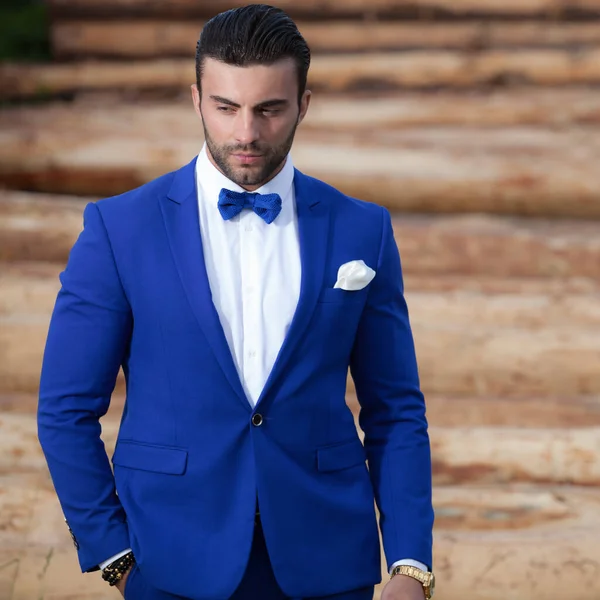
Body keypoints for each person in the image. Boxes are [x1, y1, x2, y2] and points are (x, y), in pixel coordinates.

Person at [37, 4, 434, 600]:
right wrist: (115, 558)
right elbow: (65, 411)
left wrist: (410, 566)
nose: (245, 133)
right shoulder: (120, 229)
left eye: (269, 109)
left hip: (328, 563)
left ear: (303, 104)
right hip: (169, 563)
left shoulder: (362, 230)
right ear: (196, 99)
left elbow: (395, 409)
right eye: (226, 108)